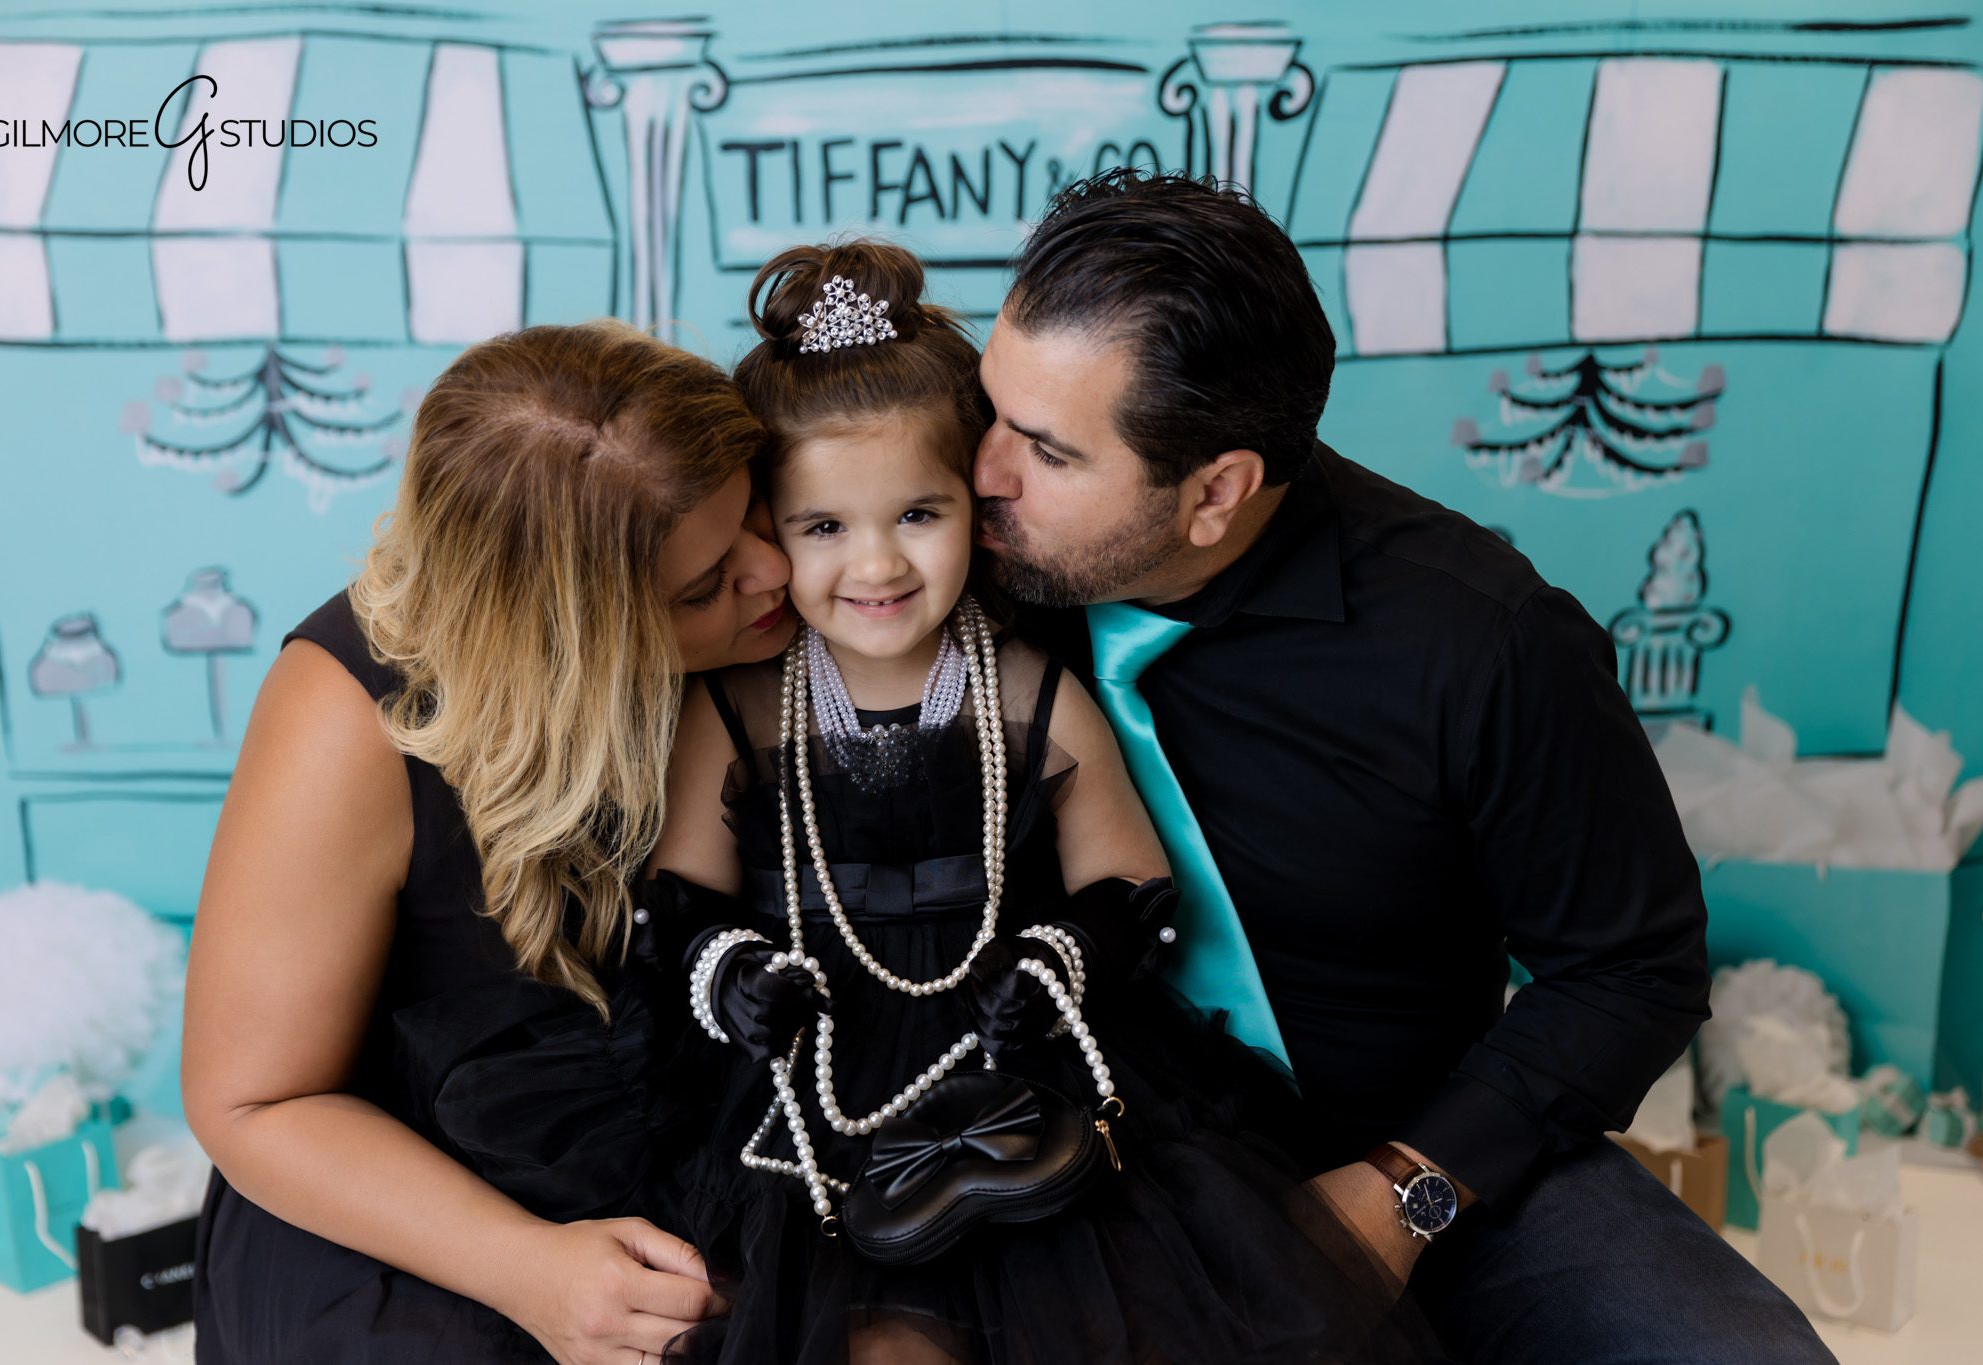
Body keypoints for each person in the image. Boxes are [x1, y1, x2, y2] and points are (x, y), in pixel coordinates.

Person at [970, 169, 1836, 1364]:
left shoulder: (1482, 641)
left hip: (1416, 1146)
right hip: (1085, 1150)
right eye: (993, 411)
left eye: (1048, 452)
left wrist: (1407, 1192)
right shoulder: (952, 572)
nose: (982, 476)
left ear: (1215, 490)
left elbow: (1628, 968)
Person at [635, 240, 1447, 1363]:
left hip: (1018, 1067)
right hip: (807, 1088)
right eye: (823, 527)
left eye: (918, 514)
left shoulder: (1028, 692)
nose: (875, 565)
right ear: (766, 529)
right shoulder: (732, 709)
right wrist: (733, 975)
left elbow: (1131, 883)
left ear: (976, 499)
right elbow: (676, 896)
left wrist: (1058, 959)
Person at [183, 320, 798, 1364]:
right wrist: (526, 1268)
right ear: (560, 636)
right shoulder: (350, 721)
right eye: (702, 589)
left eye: (757, 513)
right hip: (424, 1196)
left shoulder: (802, 604)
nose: (775, 571)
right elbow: (254, 1100)